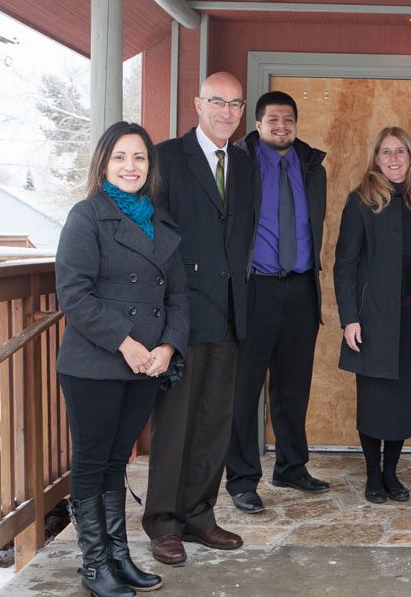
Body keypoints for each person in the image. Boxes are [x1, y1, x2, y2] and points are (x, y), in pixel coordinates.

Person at [56, 121, 189, 596]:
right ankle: (95, 566)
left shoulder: (161, 221)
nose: (130, 166)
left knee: (117, 463)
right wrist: (128, 344)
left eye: (139, 158)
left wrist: (168, 346)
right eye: (120, 157)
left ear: (149, 167)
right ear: (103, 163)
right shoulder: (86, 216)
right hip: (96, 362)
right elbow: (74, 294)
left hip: (148, 364)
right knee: (93, 464)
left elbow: (179, 295)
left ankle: (118, 556)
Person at [143, 72, 255, 565]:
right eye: (217, 102)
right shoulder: (166, 158)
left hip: (231, 312)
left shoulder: (245, 163)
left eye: (234, 104)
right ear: (197, 104)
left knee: (215, 421)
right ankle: (163, 521)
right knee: (176, 423)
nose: (226, 112)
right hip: (183, 311)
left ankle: (199, 514)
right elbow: (154, 235)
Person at [226, 90, 330, 506]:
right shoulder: (239, 164)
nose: (281, 126)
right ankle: (242, 480)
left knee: (293, 386)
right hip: (256, 289)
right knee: (245, 387)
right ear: (257, 123)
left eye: (288, 119)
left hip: (302, 288)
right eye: (272, 119)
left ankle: (291, 467)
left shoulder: (312, 167)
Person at [334, 126, 411, 503]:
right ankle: (372, 475)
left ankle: (391, 472)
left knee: (405, 401)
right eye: (386, 152)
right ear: (376, 159)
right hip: (373, 319)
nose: (394, 159)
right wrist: (350, 319)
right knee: (374, 400)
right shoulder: (361, 201)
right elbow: (344, 263)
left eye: (401, 152)